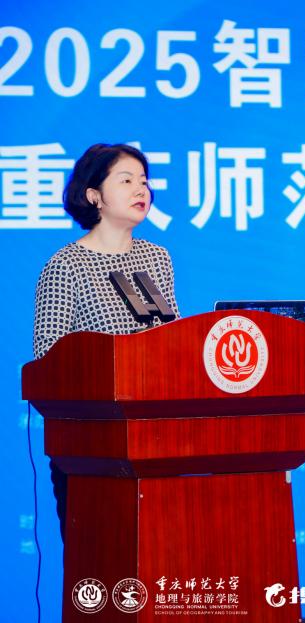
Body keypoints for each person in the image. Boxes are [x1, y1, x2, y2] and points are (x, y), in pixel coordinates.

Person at [33, 143, 180, 540]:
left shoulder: (157, 258)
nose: (141, 190)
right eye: (126, 180)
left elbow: (173, 341)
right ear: (93, 195)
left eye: (144, 181)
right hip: (91, 444)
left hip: (158, 438)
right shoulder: (66, 265)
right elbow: (48, 359)